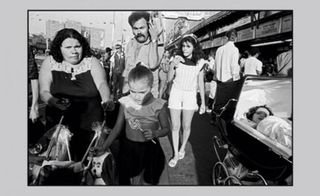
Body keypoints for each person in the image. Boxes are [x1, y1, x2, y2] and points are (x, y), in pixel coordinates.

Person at [39, 28, 112, 161]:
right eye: (68, 47)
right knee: (59, 167)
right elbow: (44, 91)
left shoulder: (92, 62)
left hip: (91, 127)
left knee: (89, 167)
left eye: (77, 46)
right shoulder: (49, 63)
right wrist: (54, 101)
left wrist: (106, 99)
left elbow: (102, 84)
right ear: (59, 48)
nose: (74, 51)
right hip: (60, 127)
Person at [94, 65, 170, 185]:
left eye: (142, 92)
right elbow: (117, 128)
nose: (136, 96)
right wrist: (104, 147)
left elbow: (166, 129)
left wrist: (156, 133)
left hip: (150, 149)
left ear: (151, 87)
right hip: (129, 148)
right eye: (132, 91)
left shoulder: (158, 105)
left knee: (148, 181)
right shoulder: (125, 102)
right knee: (127, 180)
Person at [167, 34, 206, 167]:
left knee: (186, 126)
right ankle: (176, 154)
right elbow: (168, 79)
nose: (184, 49)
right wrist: (173, 64)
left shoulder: (200, 62)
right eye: (183, 46)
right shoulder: (176, 59)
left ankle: (182, 147)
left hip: (190, 95)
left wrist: (203, 103)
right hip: (176, 93)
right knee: (175, 126)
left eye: (188, 46)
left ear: (194, 47)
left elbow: (201, 82)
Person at [122, 11, 160, 98]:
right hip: (130, 94)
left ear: (149, 27)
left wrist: (154, 40)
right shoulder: (130, 44)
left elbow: (153, 64)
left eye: (142, 28)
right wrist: (123, 91)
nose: (139, 32)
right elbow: (127, 69)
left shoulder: (157, 45)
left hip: (147, 98)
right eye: (135, 28)